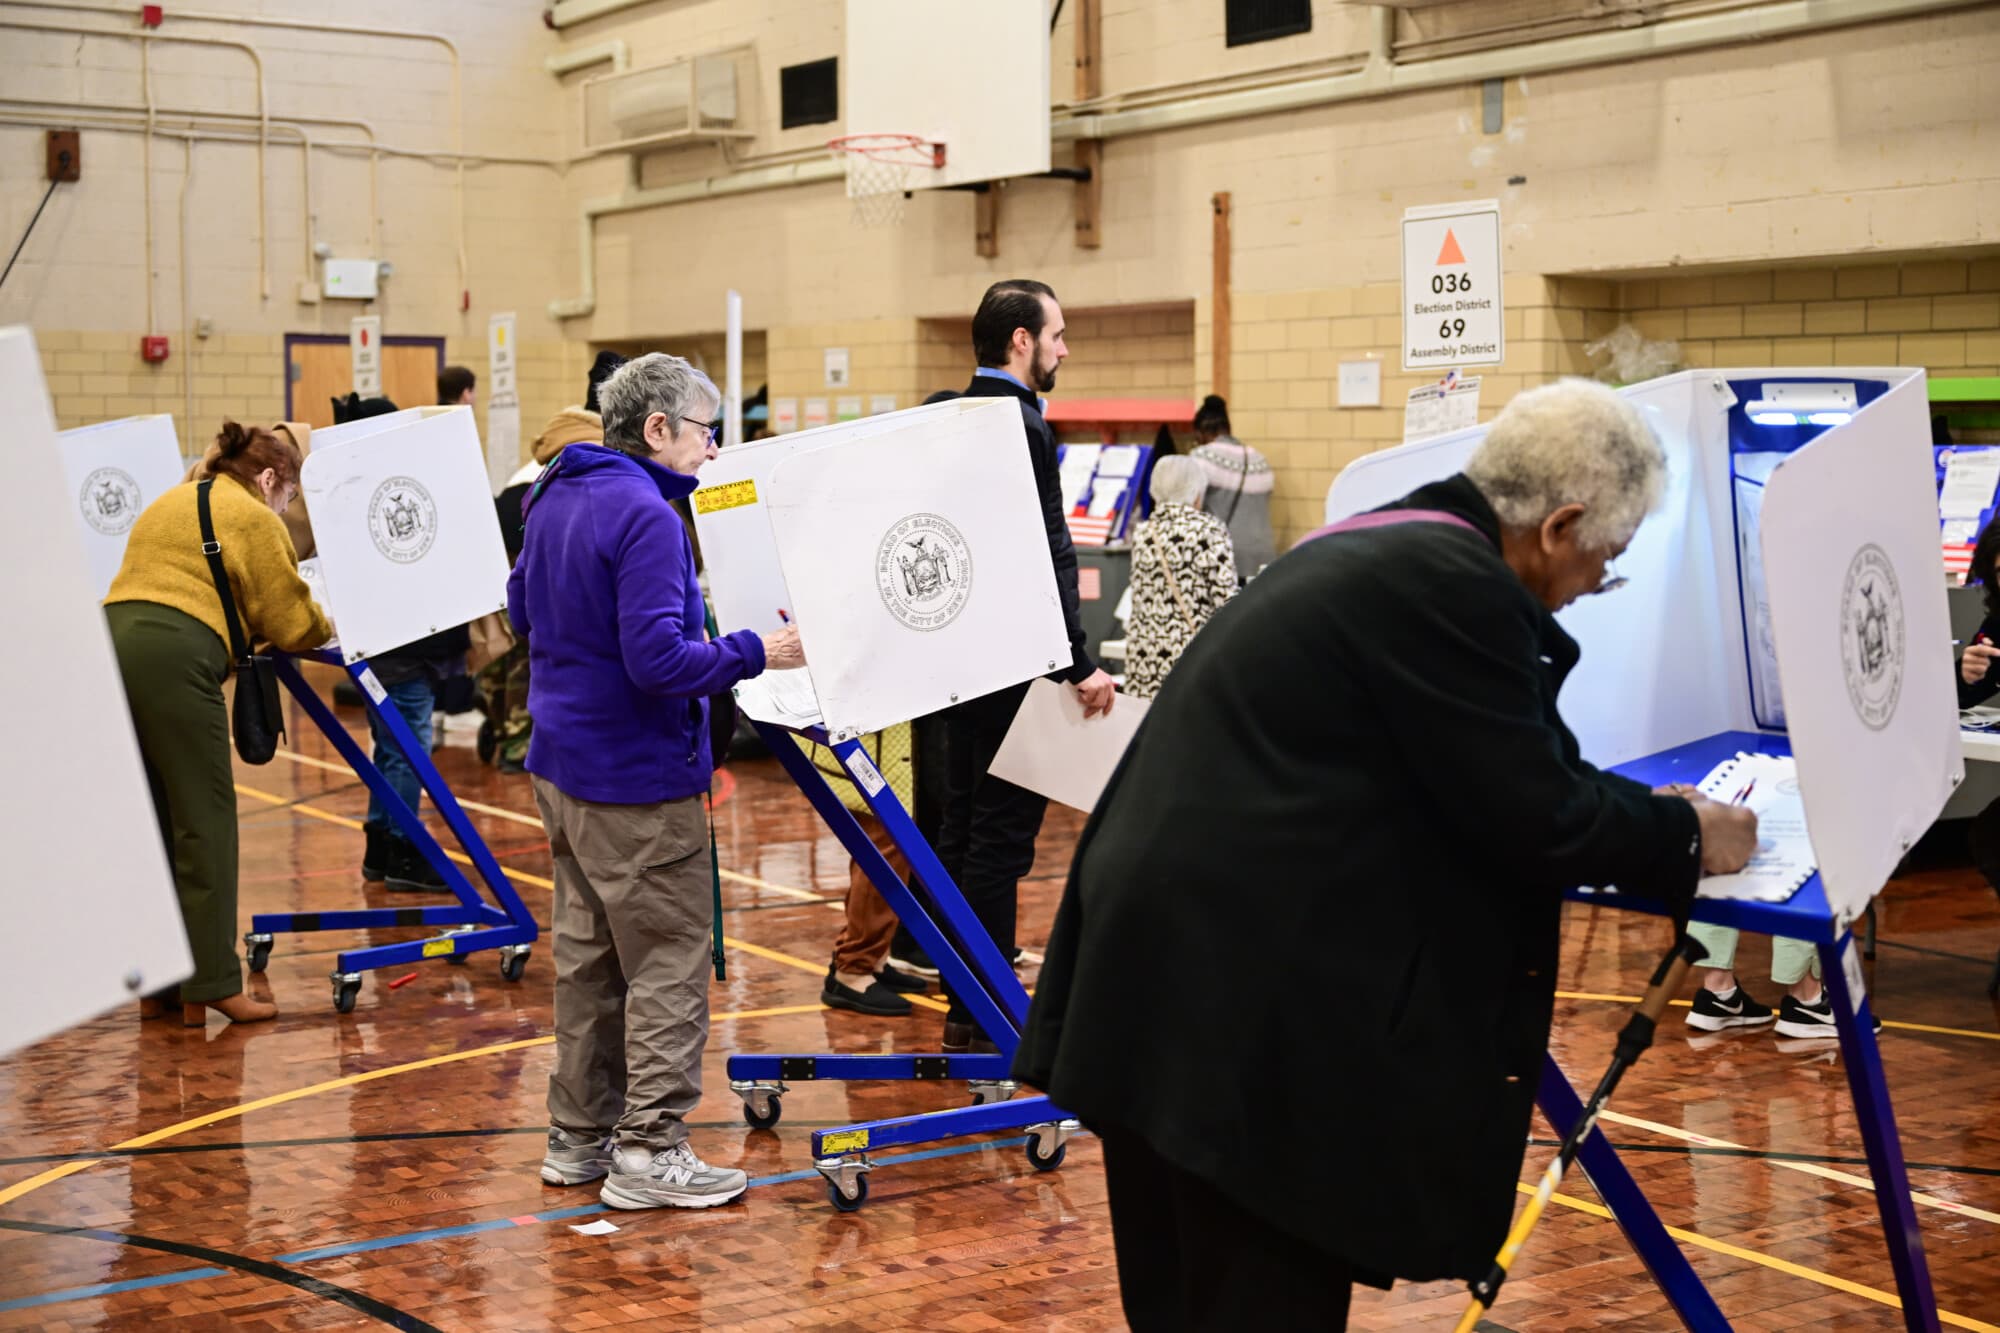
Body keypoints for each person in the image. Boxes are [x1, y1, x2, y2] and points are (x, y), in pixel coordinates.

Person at [1012, 379, 1758, 1328]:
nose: (1594, 588)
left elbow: (1500, 767)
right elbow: (1535, 813)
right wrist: (1692, 838)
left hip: (1163, 978)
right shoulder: (1454, 584)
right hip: (1229, 1014)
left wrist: (1635, 807)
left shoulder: (1394, 543)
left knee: (1187, 1300)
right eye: (1604, 561)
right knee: (1252, 1303)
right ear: (1558, 524)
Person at [512, 352, 803, 1210]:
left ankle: (577, 1139)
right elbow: (659, 661)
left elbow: (520, 611)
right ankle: (648, 1150)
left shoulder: (552, 490)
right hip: (634, 779)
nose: (713, 451)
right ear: (657, 429)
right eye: (705, 433)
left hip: (561, 767)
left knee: (591, 959)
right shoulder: (644, 513)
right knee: (669, 959)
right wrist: (761, 650)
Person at [105, 421, 334, 1027]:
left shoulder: (175, 497)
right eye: (288, 494)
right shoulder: (254, 517)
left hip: (110, 647)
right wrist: (328, 622)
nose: (287, 507)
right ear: (267, 479)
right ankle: (212, 983)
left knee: (154, 817)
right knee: (204, 820)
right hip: (174, 657)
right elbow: (290, 621)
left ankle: (159, 980)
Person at [938, 281, 1117, 1053]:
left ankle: (964, 1002)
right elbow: (1048, 549)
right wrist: (1080, 662)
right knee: (1002, 842)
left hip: (948, 670)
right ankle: (985, 1014)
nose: (1065, 349)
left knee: (957, 835)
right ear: (1021, 340)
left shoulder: (946, 416)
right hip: (1015, 666)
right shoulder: (1024, 424)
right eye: (1058, 334)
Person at [331, 393, 461, 894]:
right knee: (408, 749)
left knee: (390, 749)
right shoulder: (394, 488)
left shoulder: (351, 491)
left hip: (374, 646)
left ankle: (381, 847)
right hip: (404, 646)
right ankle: (405, 854)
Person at [481, 406, 603, 773]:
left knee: (499, 659)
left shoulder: (534, 474)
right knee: (521, 659)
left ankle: (501, 730)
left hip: (499, 569)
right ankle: (515, 744)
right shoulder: (565, 481)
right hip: (522, 572)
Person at [1122, 455, 1237, 700]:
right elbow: (1227, 603)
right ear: (1196, 491)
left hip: (1144, 655)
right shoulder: (1208, 530)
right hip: (1190, 657)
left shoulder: (1143, 532)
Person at [1186, 394, 1275, 582]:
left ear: (1200, 432)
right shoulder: (1260, 460)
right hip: (1264, 558)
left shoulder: (1201, 457)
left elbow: (1189, 512)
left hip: (1226, 558)